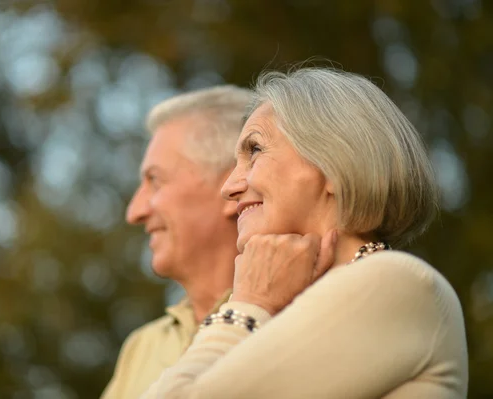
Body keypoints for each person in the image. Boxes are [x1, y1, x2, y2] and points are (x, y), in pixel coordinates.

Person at [140, 67, 469, 398]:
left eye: (253, 150)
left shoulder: (396, 282)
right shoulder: (308, 304)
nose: (229, 187)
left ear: (333, 162)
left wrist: (248, 303)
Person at [101, 85, 253, 399]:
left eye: (154, 180)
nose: (135, 212)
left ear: (233, 184)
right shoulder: (142, 347)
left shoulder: (304, 313)